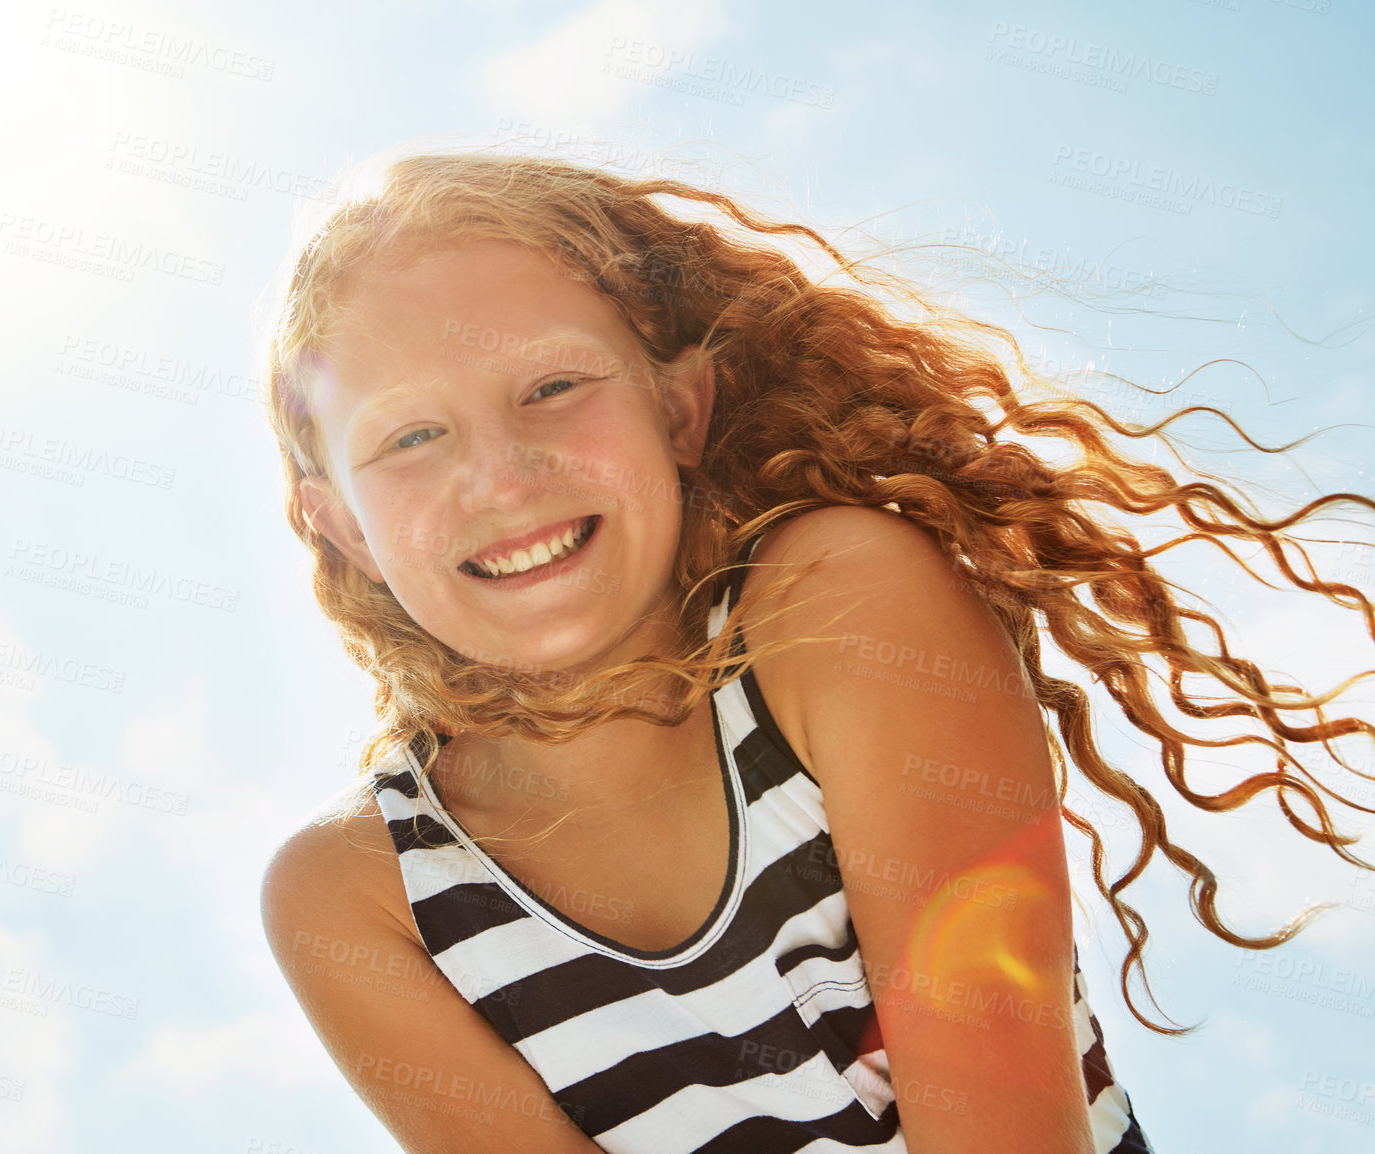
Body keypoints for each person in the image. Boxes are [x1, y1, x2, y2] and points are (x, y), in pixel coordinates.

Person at [257, 152, 1375, 1153]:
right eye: (410, 435)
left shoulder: (840, 605)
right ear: (340, 524)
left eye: (553, 385)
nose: (499, 475)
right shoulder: (361, 897)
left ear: (679, 409)